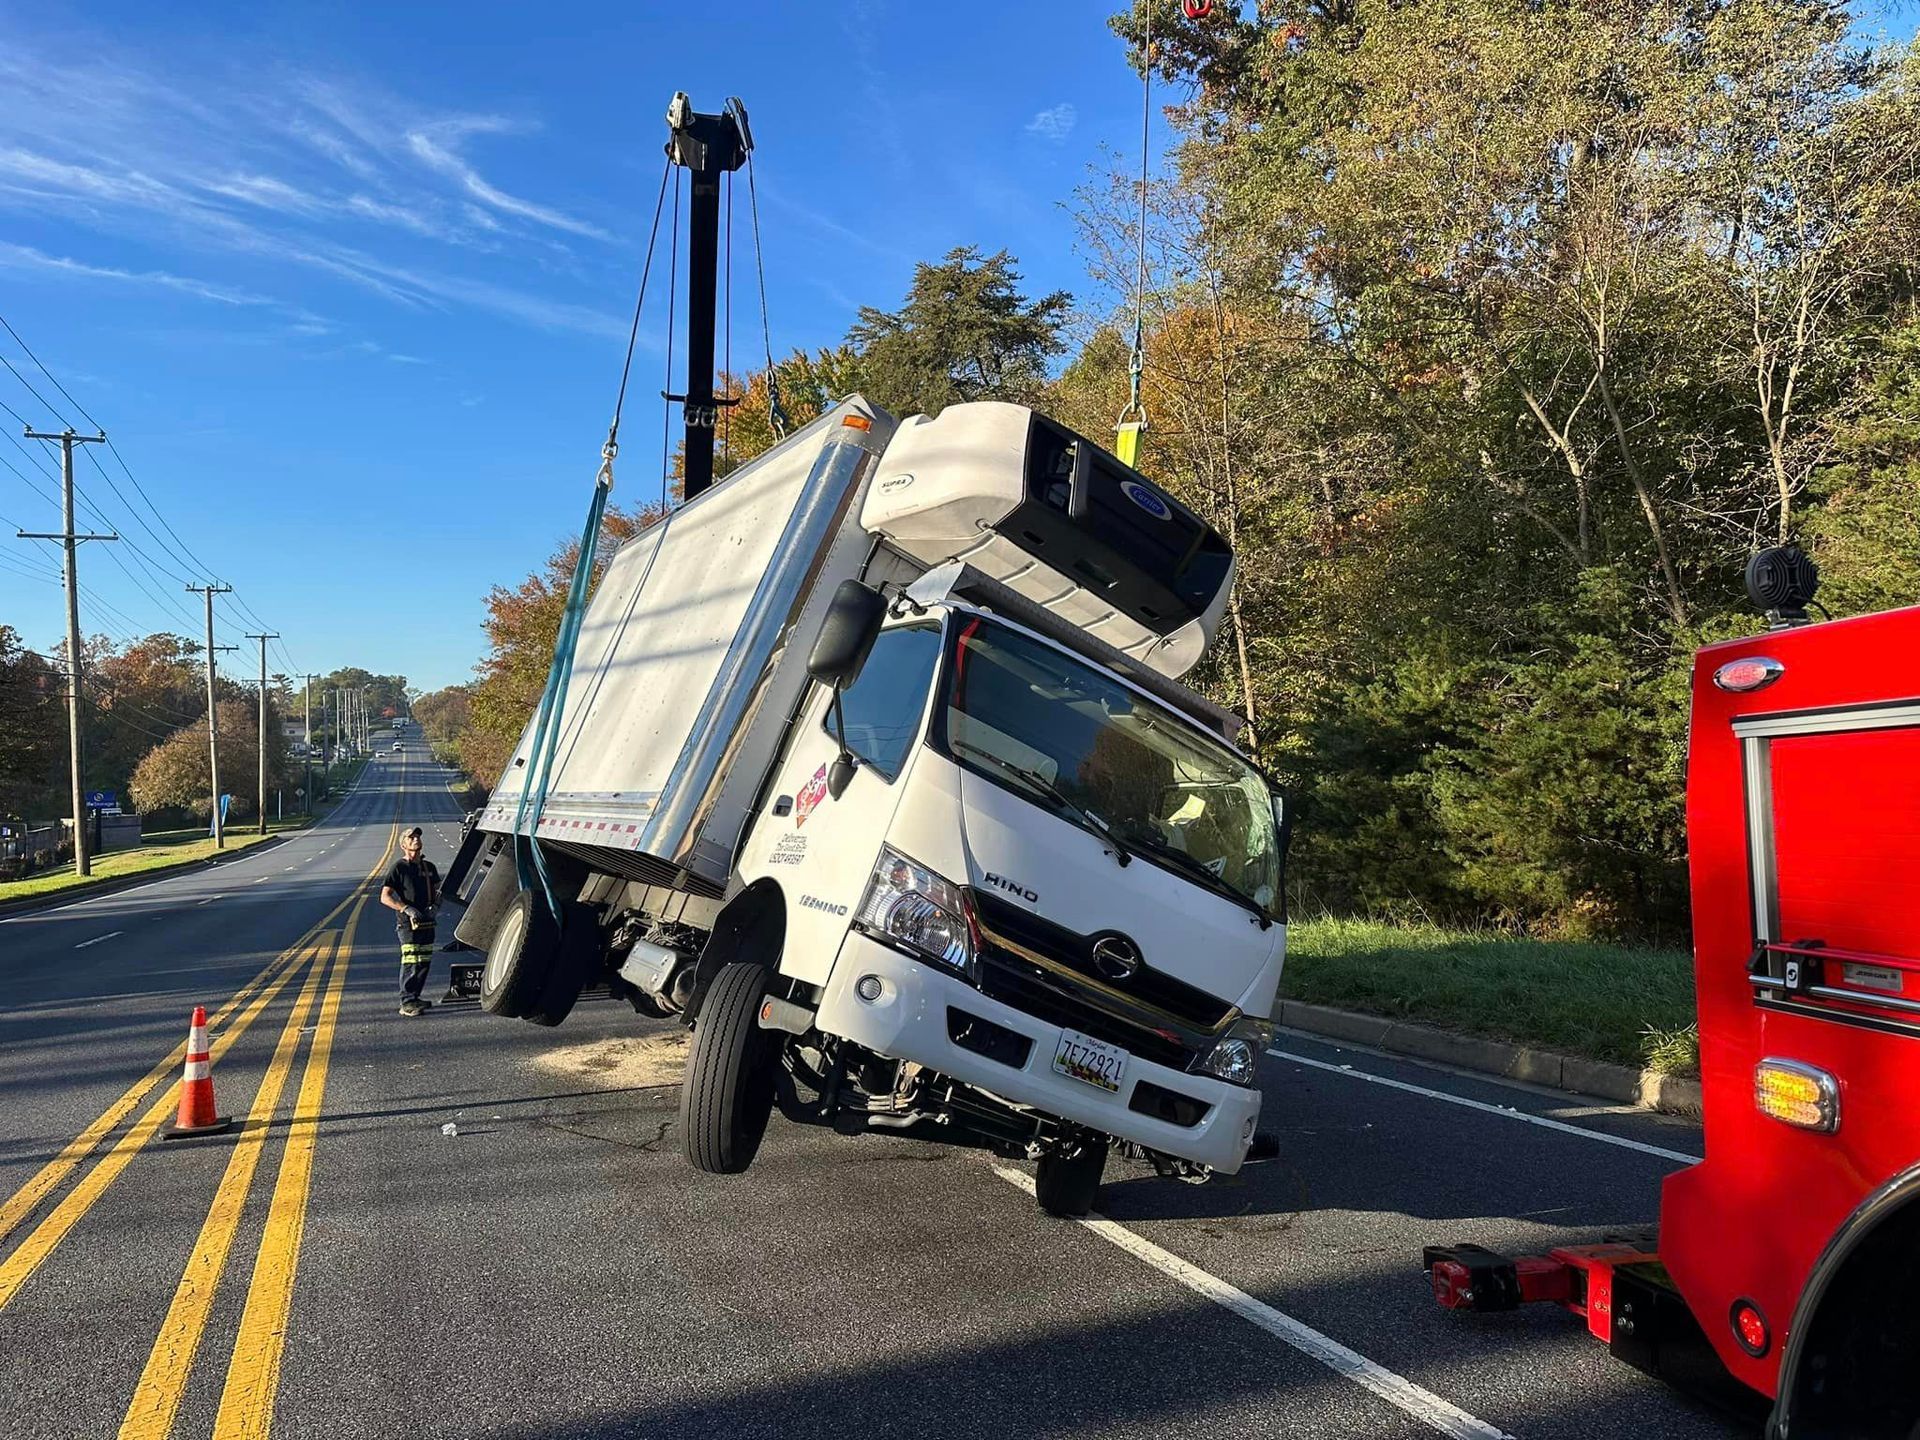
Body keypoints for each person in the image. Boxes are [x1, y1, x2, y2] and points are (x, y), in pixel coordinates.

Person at [381, 826, 441, 1016]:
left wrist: (436, 906)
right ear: (403, 845)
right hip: (408, 925)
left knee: (424, 961)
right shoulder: (399, 867)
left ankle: (415, 997)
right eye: (411, 838)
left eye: (417, 837)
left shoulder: (429, 867)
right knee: (411, 960)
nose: (416, 840)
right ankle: (406, 1001)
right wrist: (405, 908)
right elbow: (385, 896)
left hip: (427, 922)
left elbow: (440, 890)